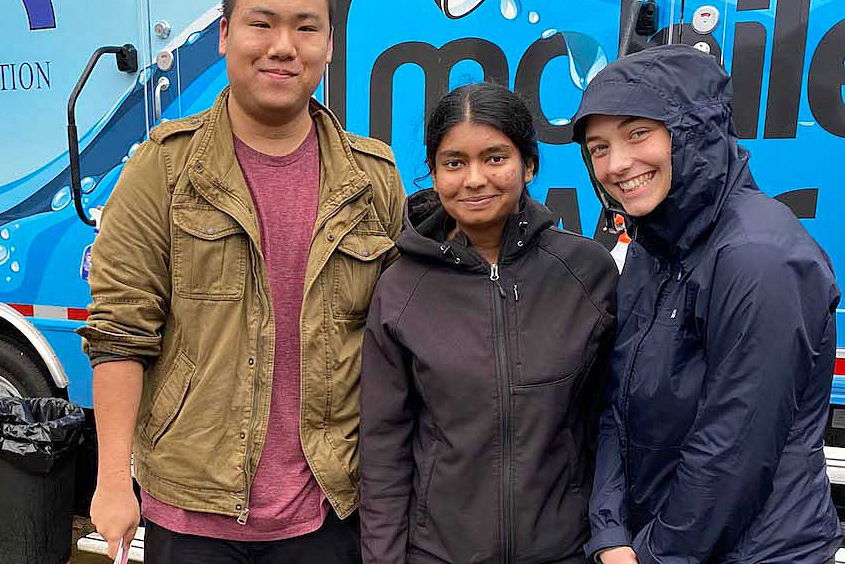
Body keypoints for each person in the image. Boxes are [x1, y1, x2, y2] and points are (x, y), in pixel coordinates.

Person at [78, 0, 405, 561]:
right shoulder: (163, 169)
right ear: (225, 35)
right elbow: (119, 333)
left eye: (306, 27)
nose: (284, 45)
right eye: (262, 22)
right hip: (191, 512)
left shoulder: (372, 179)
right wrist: (112, 482)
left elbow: (400, 337)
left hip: (328, 509)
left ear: (329, 46)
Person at [571, 44, 842, 564]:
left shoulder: (760, 257)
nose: (617, 164)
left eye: (637, 133)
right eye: (598, 147)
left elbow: (733, 450)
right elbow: (615, 405)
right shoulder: (653, 248)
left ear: (694, 130)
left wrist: (649, 556)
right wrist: (609, 533)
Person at [359, 82, 618, 563]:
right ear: (434, 175)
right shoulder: (401, 287)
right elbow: (383, 450)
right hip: (438, 553)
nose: (475, 179)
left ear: (529, 165)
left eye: (496, 158)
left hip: (565, 550)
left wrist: (608, 536)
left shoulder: (587, 273)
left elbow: (611, 424)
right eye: (454, 162)